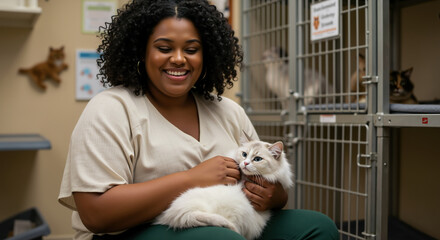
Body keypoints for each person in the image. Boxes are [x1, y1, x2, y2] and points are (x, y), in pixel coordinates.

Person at [58, 0, 339, 239]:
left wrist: (274, 196)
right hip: (134, 231)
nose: (179, 59)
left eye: (191, 49)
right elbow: (96, 214)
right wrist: (192, 179)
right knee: (218, 237)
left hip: (230, 221)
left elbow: (271, 187)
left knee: (318, 228)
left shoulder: (229, 111)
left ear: (207, 55)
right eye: (165, 48)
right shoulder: (111, 109)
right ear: (141, 52)